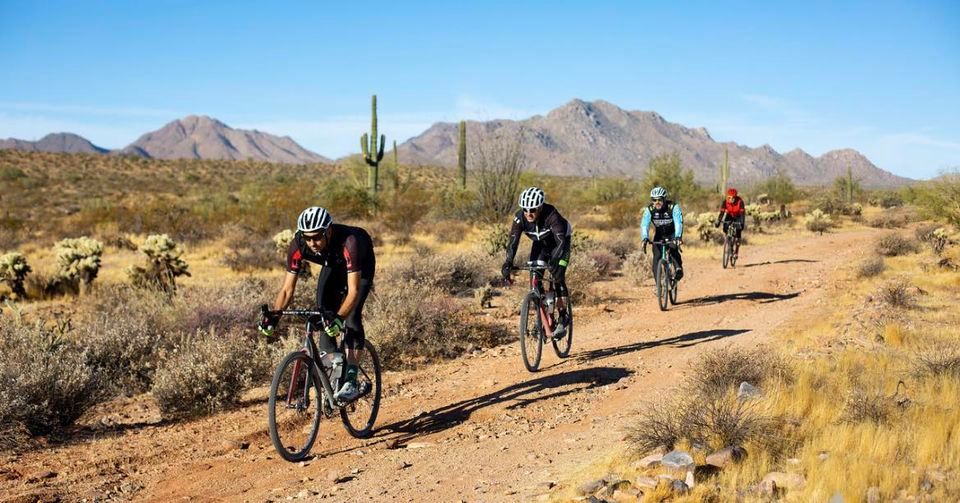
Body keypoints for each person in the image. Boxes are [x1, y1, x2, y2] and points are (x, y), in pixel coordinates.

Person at [258, 206, 376, 402]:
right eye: (307, 238)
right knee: (323, 312)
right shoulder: (298, 244)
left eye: (317, 237)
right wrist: (274, 316)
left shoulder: (350, 242)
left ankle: (352, 380)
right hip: (333, 265)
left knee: (352, 316)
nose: (312, 243)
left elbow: (353, 291)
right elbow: (287, 289)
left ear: (328, 231)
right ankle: (334, 365)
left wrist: (339, 319)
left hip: (360, 265)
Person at [501, 187, 572, 338]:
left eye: (532, 209)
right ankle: (542, 317)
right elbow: (513, 241)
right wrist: (508, 262)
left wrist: (555, 262)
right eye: (525, 209)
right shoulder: (520, 218)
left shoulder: (552, 215)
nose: (528, 213)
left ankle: (563, 316)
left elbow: (561, 242)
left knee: (558, 275)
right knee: (535, 277)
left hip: (560, 243)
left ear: (540, 207)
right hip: (540, 244)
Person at [640, 186, 684, 280]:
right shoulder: (650, 210)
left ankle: (678, 268)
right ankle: (658, 286)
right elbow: (644, 224)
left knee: (673, 248)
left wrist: (678, 237)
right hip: (659, 235)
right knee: (656, 258)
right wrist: (645, 238)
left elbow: (678, 222)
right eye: (654, 200)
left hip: (672, 233)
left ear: (664, 199)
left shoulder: (673, 207)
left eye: (659, 200)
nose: (657, 202)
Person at [715, 187, 746, 258]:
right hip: (729, 215)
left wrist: (742, 223)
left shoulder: (740, 202)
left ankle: (736, 251)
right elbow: (722, 213)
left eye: (732, 198)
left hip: (738, 216)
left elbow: (742, 214)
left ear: (735, 197)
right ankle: (729, 244)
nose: (730, 199)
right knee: (726, 229)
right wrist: (718, 221)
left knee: (738, 232)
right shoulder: (725, 202)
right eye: (729, 197)